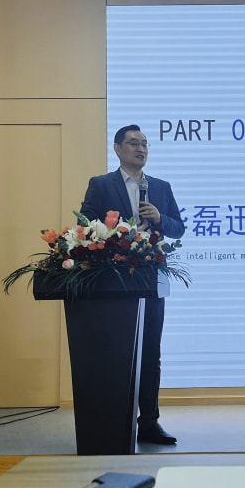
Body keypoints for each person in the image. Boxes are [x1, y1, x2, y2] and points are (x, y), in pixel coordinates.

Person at [79, 124, 185, 445]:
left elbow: (178, 228)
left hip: (151, 278)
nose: (141, 149)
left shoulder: (161, 187)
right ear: (118, 148)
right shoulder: (101, 185)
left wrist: (159, 218)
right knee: (116, 353)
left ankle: (149, 422)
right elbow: (85, 225)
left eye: (145, 144)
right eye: (134, 143)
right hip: (114, 281)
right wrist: (119, 231)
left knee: (151, 351)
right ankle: (113, 420)